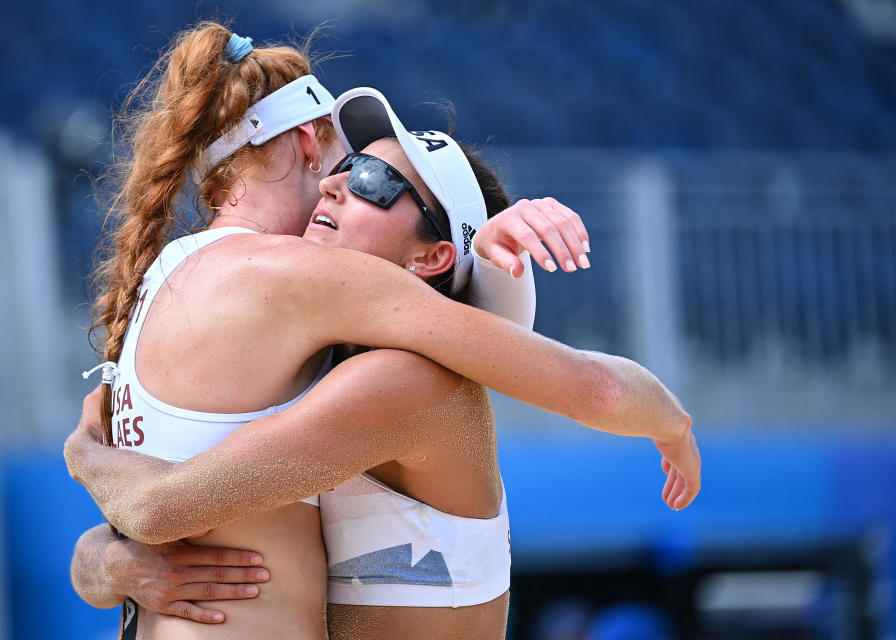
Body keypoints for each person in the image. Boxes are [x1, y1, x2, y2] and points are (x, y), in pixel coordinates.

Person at [64, 23, 699, 640]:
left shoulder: (396, 376)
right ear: (309, 144)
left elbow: (152, 510)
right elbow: (136, 532)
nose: (337, 184)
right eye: (349, 164)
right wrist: (110, 562)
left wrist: (88, 460)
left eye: (373, 179)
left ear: (433, 258)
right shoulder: (309, 349)